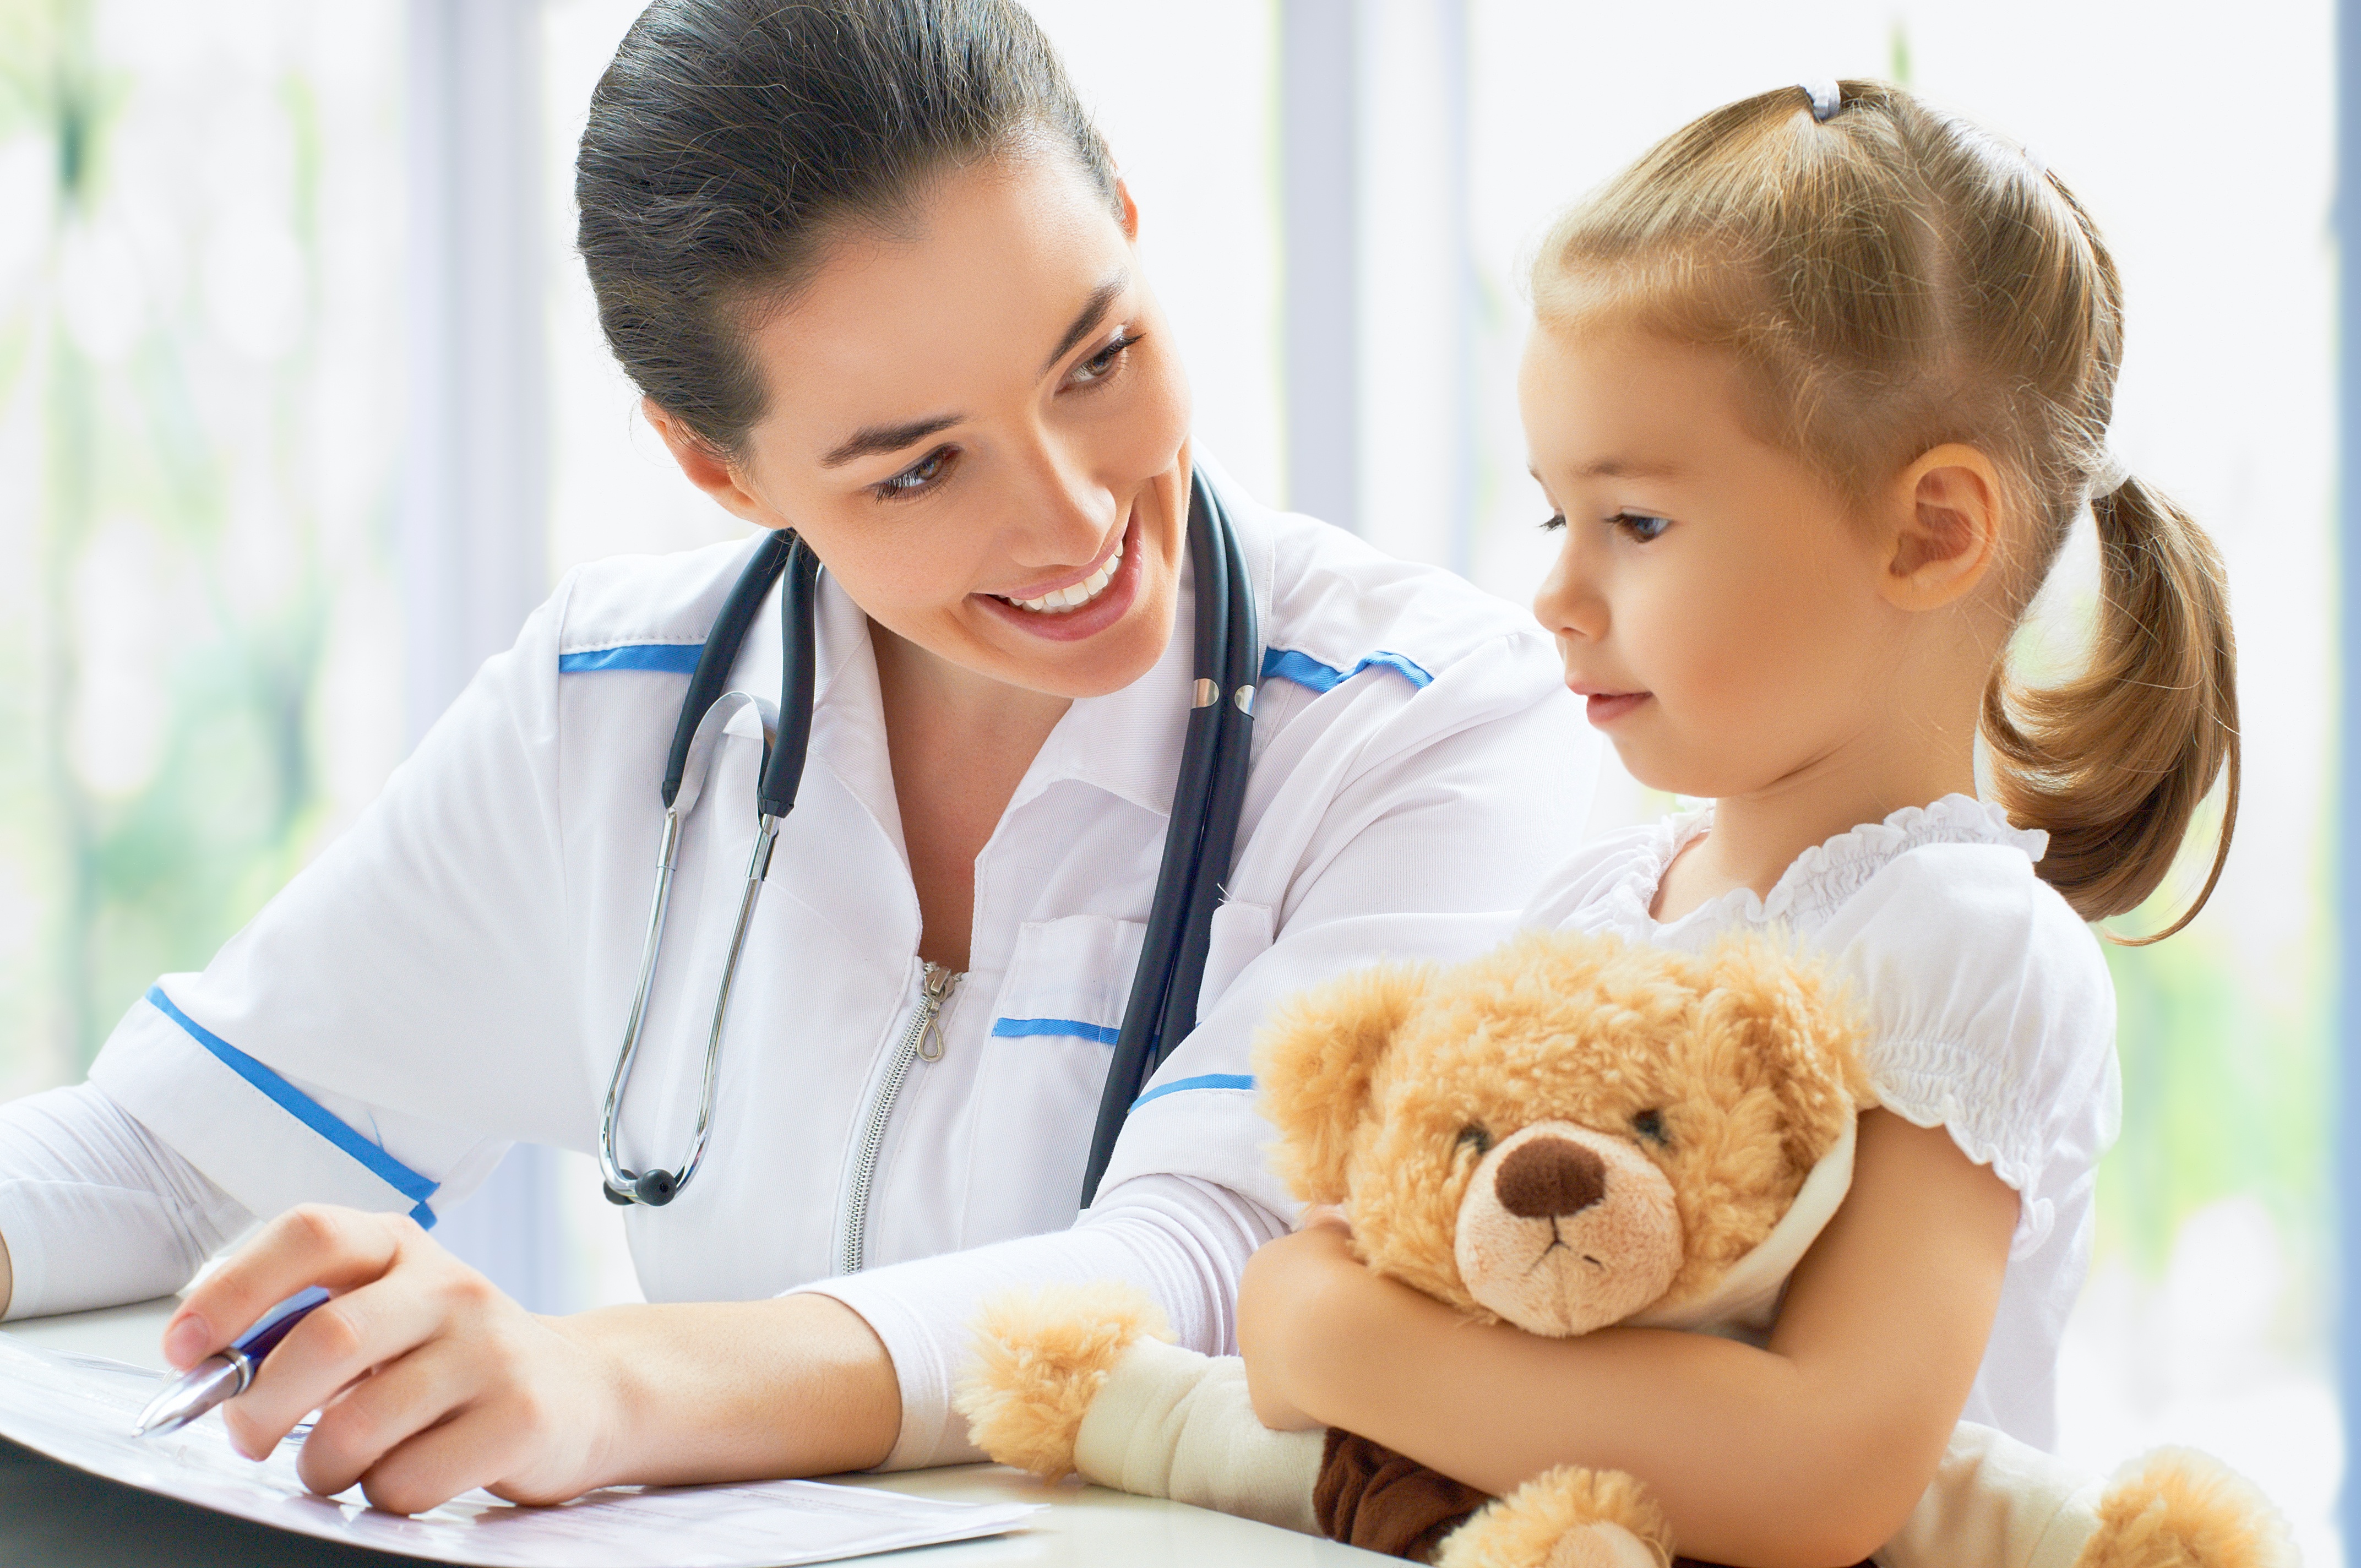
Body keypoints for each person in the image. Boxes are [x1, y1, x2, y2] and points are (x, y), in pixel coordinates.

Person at [0, 0, 1591, 1516]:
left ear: (1121, 215)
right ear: (715, 465)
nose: (1075, 516)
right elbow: (168, 1152)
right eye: (918, 469)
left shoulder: (1436, 725)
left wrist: (605, 1387)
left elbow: (1209, 1272)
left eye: (1095, 361)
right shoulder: (612, 708)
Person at [1234, 79, 2238, 1567]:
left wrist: (1327, 1338)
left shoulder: (1961, 946)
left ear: (1928, 533)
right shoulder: (1596, 902)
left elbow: (1820, 1473)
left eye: (1635, 523)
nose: (1559, 597)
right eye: (1554, 517)